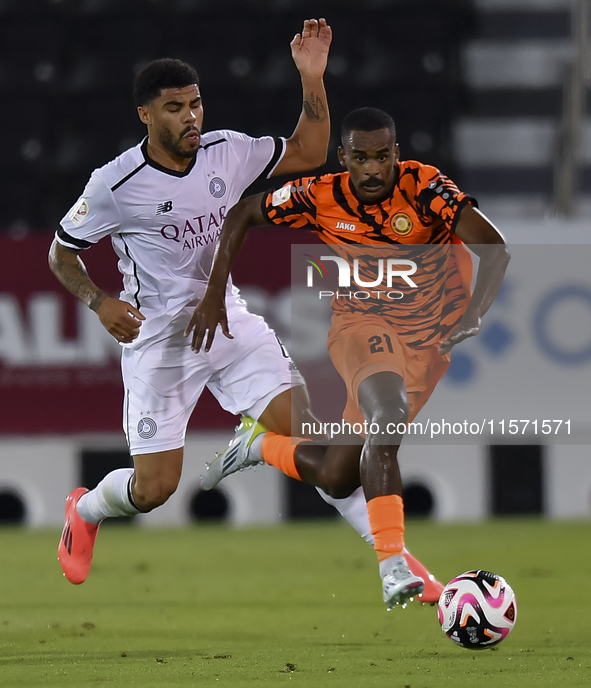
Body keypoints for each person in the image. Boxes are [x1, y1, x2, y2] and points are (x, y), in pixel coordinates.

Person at [186, 107, 510, 610]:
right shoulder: (320, 195)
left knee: (339, 475)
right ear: (345, 158)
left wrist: (474, 314)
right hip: (362, 325)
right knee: (388, 418)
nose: (374, 169)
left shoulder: (425, 188)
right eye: (361, 157)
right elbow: (244, 212)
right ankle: (392, 565)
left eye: (383, 156)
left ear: (396, 155)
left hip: (426, 344)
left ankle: (261, 445)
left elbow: (494, 247)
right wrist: (213, 292)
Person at [49, 18, 334, 585]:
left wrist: (312, 77)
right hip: (159, 339)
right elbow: (60, 254)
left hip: (224, 318)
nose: (191, 117)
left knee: (307, 430)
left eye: (196, 104)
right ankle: (83, 512)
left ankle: (394, 561)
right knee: (154, 490)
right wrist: (98, 300)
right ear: (146, 116)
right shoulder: (115, 183)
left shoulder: (226, 151)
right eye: (176, 107)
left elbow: (310, 150)